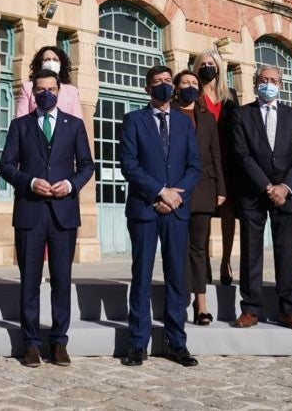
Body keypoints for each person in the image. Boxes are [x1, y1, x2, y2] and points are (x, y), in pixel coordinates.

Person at [0, 69, 95, 367]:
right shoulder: (20, 125)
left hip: (63, 213)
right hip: (30, 211)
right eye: (40, 89)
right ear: (33, 92)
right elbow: (6, 166)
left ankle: (59, 341)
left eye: (51, 88)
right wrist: (28, 182)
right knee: (29, 280)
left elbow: (87, 165)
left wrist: (70, 185)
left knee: (61, 280)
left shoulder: (75, 125)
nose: (45, 93)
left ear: (59, 90)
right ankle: (30, 342)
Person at [119, 65, 201, 367]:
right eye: (158, 83)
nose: (164, 86)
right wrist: (159, 192)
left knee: (177, 278)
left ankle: (177, 342)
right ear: (147, 88)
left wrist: (175, 195)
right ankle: (138, 343)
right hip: (145, 209)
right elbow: (129, 164)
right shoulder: (133, 121)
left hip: (176, 211)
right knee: (141, 276)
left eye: (168, 82)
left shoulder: (183, 123)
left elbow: (194, 166)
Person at [228, 64, 292, 333]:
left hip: (285, 195)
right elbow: (241, 155)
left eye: (273, 80)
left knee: (286, 253)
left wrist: (285, 187)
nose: (268, 83)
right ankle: (250, 309)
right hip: (254, 193)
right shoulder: (241, 115)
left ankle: (289, 310)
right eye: (263, 79)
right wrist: (267, 186)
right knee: (251, 252)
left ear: (281, 85)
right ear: (255, 83)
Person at [171, 71, 225, 325]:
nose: (191, 87)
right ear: (176, 87)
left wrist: (221, 189)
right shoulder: (169, 113)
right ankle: (179, 301)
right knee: (178, 248)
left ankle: (201, 304)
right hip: (176, 189)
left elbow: (217, 154)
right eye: (185, 83)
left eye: (194, 83)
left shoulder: (207, 118)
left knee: (198, 248)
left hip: (204, 187)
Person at [194, 49, 241, 287]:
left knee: (228, 212)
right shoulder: (193, 94)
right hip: (202, 161)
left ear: (219, 68)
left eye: (212, 64)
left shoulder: (229, 95)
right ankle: (203, 262)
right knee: (202, 211)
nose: (207, 68)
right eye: (203, 64)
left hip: (227, 160)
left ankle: (225, 261)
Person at [15, 46, 81, 118]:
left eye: (55, 60)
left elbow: (77, 122)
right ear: (40, 63)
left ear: (61, 64)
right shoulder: (28, 87)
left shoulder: (71, 91)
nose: (51, 62)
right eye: (47, 60)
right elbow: (21, 120)